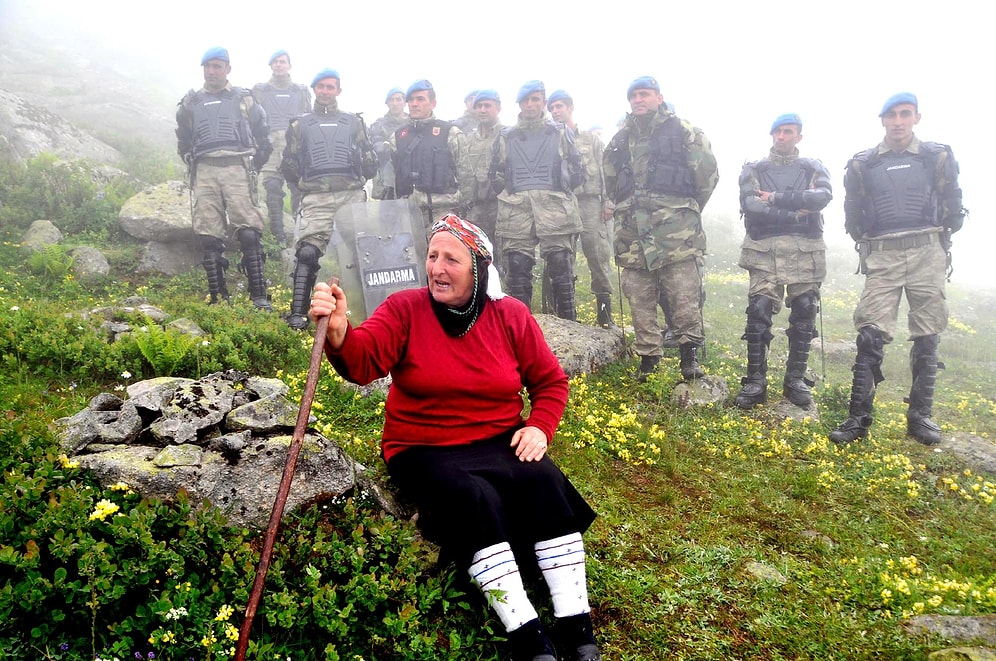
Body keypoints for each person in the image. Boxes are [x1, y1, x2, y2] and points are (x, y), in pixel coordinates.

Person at [309, 215, 602, 661]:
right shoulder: (404, 308)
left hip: (496, 436)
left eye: (451, 258)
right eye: (432, 256)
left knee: (542, 480)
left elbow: (550, 383)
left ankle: (576, 626)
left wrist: (539, 426)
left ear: (479, 268)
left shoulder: (510, 315)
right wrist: (339, 333)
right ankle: (526, 634)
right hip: (423, 445)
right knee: (470, 494)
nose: (437, 268)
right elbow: (364, 362)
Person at [829, 93, 965, 446]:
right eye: (892, 115)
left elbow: (954, 208)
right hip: (884, 254)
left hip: (927, 251)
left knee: (927, 334)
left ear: (917, 117)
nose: (898, 122)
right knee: (870, 333)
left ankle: (920, 416)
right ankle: (858, 418)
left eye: (905, 114)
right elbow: (852, 211)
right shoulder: (864, 163)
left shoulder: (937, 157)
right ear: (883, 121)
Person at [602, 76, 719, 381]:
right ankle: (649, 358)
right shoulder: (619, 140)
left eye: (645, 94)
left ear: (659, 97)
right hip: (632, 235)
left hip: (676, 233)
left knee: (683, 295)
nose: (639, 100)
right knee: (639, 296)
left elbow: (706, 175)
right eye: (634, 96)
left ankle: (689, 357)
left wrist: (684, 211)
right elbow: (611, 182)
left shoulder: (684, 131)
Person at [734, 113, 832, 409]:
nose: (781, 137)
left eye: (788, 132)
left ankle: (795, 380)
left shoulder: (814, 167)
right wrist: (793, 211)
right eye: (777, 131)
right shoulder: (754, 168)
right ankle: (755, 380)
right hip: (765, 247)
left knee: (805, 310)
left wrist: (774, 198)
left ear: (798, 136)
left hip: (805, 248)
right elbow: (750, 203)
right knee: (759, 310)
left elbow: (821, 198)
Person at [176, 47, 273, 310]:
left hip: (238, 166)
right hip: (205, 168)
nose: (212, 71)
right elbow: (183, 139)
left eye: (217, 66)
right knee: (209, 234)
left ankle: (259, 296)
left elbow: (264, 137)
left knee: (250, 232)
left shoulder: (244, 99)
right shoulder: (190, 103)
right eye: (207, 66)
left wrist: (252, 167)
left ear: (227, 69)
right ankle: (218, 297)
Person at [280, 68, 378, 330]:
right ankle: (298, 313)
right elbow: (288, 163)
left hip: (351, 194)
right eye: (321, 86)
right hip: (316, 196)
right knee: (308, 252)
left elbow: (369, 161)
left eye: (330, 87)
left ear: (338, 90)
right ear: (314, 89)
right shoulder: (299, 125)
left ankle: (371, 313)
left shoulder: (354, 122)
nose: (325, 91)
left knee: (362, 251)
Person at [489, 80, 584, 320]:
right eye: (525, 100)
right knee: (517, 272)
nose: (530, 105)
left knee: (561, 269)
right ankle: (520, 328)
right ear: (519, 104)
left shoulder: (560, 132)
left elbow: (577, 170)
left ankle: (569, 324)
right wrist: (515, 194)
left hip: (555, 210)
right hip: (515, 211)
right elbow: (495, 174)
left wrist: (555, 191)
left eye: (535, 99)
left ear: (543, 101)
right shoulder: (505, 137)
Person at [547, 90, 617, 329]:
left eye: (559, 106)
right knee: (562, 258)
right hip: (560, 204)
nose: (555, 111)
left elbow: (605, 170)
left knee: (597, 255)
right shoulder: (549, 140)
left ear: (570, 108)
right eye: (552, 108)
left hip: (589, 204)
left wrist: (609, 201)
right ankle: (566, 312)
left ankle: (604, 313)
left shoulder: (590, 139)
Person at [388, 79, 472, 231]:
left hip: (443, 214)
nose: (414, 104)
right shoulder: (398, 137)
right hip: (408, 215)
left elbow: (466, 175)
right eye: (411, 100)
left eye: (420, 99)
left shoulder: (450, 133)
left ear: (433, 103)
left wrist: (463, 211)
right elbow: (393, 176)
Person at [251, 50, 312, 245]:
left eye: (282, 61)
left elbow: (309, 120)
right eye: (275, 62)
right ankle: (278, 237)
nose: (279, 65)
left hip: (294, 145)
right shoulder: (260, 91)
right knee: (272, 188)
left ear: (289, 65)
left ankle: (299, 234)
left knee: (297, 189)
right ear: (271, 65)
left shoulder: (301, 91)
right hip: (269, 145)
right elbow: (252, 121)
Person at [464, 89, 504, 267]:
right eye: (478, 106)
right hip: (476, 209)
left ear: (498, 108)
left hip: (502, 206)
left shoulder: (508, 135)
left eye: (487, 105)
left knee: (504, 259)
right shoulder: (468, 140)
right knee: (477, 259)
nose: (482, 110)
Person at [368, 87, 409, 200]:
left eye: (398, 99)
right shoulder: (378, 126)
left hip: (411, 183)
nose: (395, 103)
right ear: (387, 103)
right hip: (386, 184)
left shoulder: (414, 124)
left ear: (405, 102)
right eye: (391, 100)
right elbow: (379, 150)